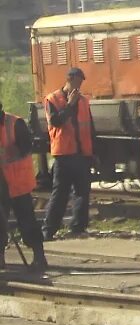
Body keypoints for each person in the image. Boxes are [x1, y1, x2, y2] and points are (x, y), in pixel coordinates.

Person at [42, 67, 95, 240]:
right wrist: (70, 104)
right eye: (78, 81)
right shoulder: (52, 99)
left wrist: (94, 152)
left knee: (82, 193)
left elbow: (90, 128)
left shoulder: (84, 101)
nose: (79, 85)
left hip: (82, 154)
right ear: (69, 79)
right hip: (64, 155)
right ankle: (49, 230)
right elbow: (56, 122)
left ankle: (78, 227)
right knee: (60, 193)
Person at [0, 99, 49, 271]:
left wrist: (10, 151)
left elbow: (27, 147)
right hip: (1, 186)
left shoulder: (14, 123)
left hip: (18, 184)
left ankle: (39, 256)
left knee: (27, 222)